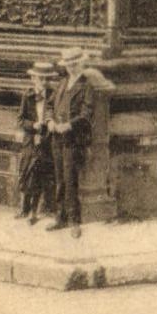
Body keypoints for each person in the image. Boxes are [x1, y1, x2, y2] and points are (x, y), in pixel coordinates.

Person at [46, 48, 95, 239]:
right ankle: (61, 218)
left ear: (81, 64)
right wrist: (50, 121)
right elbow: (50, 105)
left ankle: (75, 221)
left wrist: (69, 125)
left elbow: (86, 115)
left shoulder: (86, 86)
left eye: (74, 64)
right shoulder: (63, 83)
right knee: (59, 179)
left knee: (70, 180)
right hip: (57, 138)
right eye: (68, 65)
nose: (71, 68)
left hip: (73, 140)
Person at [15, 61, 56, 225]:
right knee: (27, 173)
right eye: (41, 79)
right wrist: (33, 125)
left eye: (47, 79)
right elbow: (20, 120)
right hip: (31, 142)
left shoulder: (53, 95)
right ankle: (24, 208)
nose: (44, 82)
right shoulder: (28, 96)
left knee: (40, 175)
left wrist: (48, 124)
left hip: (46, 142)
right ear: (33, 79)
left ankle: (35, 211)